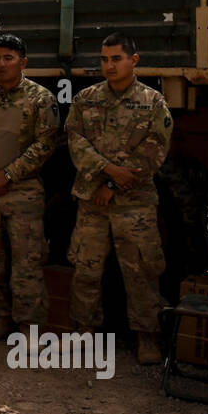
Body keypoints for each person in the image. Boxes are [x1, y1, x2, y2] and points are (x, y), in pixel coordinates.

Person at [65, 32, 173, 364]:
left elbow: (154, 150)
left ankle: (147, 337)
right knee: (86, 267)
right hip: (92, 201)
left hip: (134, 203)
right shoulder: (86, 98)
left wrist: (112, 184)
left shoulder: (153, 102)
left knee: (141, 271)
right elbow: (75, 140)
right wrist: (107, 170)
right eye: (104, 59)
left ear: (133, 61)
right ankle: (85, 332)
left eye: (116, 59)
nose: (109, 66)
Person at [0, 34, 60, 341]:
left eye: (8, 58)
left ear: (23, 62)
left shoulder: (41, 98)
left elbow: (46, 143)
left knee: (27, 259)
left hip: (23, 191)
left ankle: (29, 326)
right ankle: (1, 317)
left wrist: (8, 175)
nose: (0, 64)